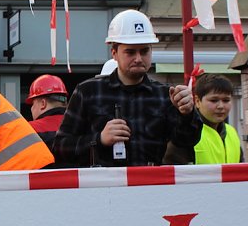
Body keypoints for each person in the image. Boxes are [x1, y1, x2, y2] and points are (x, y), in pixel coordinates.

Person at [52, 9, 202, 167]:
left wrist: (187, 114)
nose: (138, 58)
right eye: (130, 52)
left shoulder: (164, 95)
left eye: (144, 51)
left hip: (149, 186)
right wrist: (99, 139)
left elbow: (186, 141)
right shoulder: (88, 92)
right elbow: (60, 147)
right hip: (105, 188)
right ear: (114, 53)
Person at [163, 74, 242, 165]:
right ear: (197, 101)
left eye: (226, 100)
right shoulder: (186, 132)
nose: (221, 106)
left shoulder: (231, 132)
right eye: (214, 100)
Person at [25, 74, 68, 148]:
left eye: (33, 103)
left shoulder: (29, 129)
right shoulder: (81, 126)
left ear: (43, 104)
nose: (31, 108)